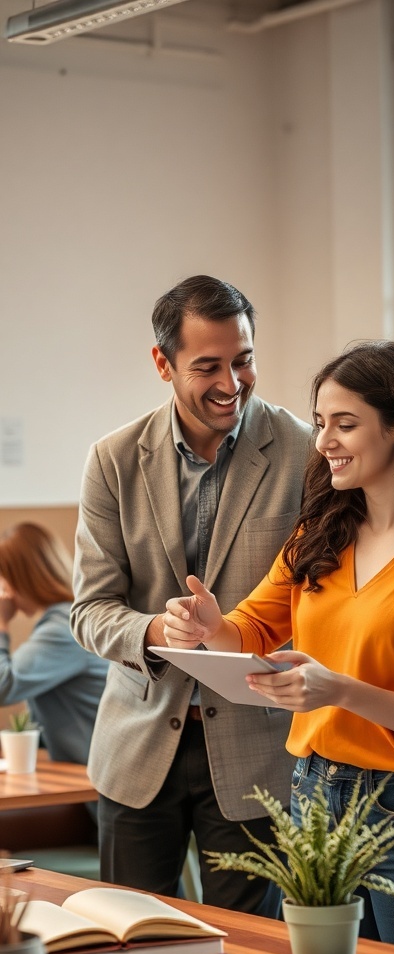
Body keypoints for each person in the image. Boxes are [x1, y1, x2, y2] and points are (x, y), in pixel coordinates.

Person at [163, 339, 394, 954]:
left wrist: (338, 690)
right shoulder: (322, 530)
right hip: (315, 801)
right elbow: (248, 633)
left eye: (346, 424)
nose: (324, 441)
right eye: (321, 422)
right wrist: (208, 625)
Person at [70, 274, 312, 914]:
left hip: (260, 755)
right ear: (162, 363)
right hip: (138, 750)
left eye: (244, 359)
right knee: (130, 952)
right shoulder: (113, 460)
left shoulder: (304, 454)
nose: (232, 384)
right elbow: (89, 610)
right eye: (208, 367)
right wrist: (156, 631)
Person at [0, 522, 107, 767]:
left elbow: (3, 687)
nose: (4, 591)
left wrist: (1, 624)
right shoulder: (69, 620)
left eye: (4, 579)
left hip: (98, 778)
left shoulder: (64, 628)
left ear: (21, 579)